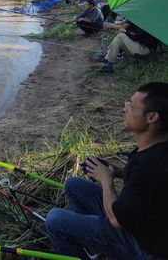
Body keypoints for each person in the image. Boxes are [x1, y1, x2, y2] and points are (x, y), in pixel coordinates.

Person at [46, 82, 168, 259]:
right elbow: (143, 187)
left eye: (132, 105)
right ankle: (94, 247)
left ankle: (92, 245)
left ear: (151, 117)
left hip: (146, 249)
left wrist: (106, 180)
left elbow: (117, 220)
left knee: (55, 220)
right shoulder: (156, 149)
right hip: (143, 223)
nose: (125, 108)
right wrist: (116, 171)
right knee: (75, 185)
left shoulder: (149, 166)